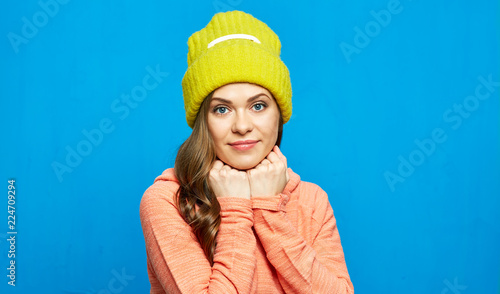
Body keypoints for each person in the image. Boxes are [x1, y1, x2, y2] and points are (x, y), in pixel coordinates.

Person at [139, 10, 354, 294]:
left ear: (279, 113)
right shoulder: (168, 201)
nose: (242, 126)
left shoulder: (311, 201)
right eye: (222, 109)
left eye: (258, 106)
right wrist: (235, 210)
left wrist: (269, 210)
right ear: (204, 120)